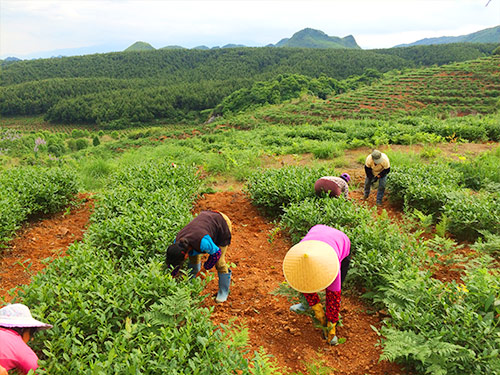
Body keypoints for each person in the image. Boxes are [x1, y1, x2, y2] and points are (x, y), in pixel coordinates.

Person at [283, 225, 351, 345]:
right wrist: (317, 310)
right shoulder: (299, 259)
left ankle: (333, 313)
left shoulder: (332, 265)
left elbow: (333, 294)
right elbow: (302, 284)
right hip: (317, 234)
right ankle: (305, 304)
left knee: (334, 297)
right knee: (304, 284)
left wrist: (331, 327)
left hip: (341, 242)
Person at [166, 210, 232, 303]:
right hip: (203, 223)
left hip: (220, 223)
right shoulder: (177, 243)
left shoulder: (203, 242)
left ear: (185, 255)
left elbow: (216, 253)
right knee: (193, 258)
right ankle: (192, 284)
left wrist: (204, 271)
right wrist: (172, 276)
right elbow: (174, 262)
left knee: (219, 263)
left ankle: (223, 292)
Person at [0, 303, 52, 374]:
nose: (31, 338)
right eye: (31, 333)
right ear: (25, 330)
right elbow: (37, 371)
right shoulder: (19, 347)